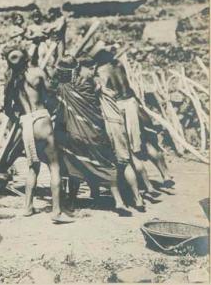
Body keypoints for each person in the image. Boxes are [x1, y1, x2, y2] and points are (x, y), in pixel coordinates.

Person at [52, 55, 144, 216]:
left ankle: (72, 201)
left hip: (74, 134)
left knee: (75, 166)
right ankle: (119, 202)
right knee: (108, 165)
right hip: (95, 133)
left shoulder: (61, 87)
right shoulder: (89, 84)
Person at [2, 46, 73, 222]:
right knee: (54, 166)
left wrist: (18, 117)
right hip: (41, 119)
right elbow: (52, 92)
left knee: (33, 167)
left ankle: (27, 207)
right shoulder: (37, 72)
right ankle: (56, 211)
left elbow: (7, 109)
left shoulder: (10, 80)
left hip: (25, 123)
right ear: (26, 57)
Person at [92, 46, 158, 195]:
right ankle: (147, 185)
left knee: (125, 152)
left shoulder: (101, 72)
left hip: (118, 107)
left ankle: (132, 186)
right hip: (131, 101)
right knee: (134, 147)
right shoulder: (118, 65)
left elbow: (100, 91)